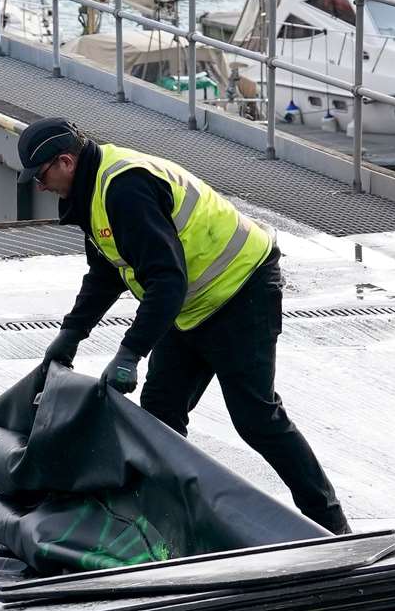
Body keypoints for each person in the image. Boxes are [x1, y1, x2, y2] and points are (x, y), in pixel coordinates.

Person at [20, 117, 350, 534]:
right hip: (190, 304)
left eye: (41, 175)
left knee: (255, 417)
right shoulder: (91, 193)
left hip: (241, 291)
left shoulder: (124, 189)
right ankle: (175, 521)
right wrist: (72, 334)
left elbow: (167, 279)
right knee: (160, 411)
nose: (39, 186)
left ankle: (330, 523)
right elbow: (107, 271)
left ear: (65, 161)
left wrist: (130, 353)